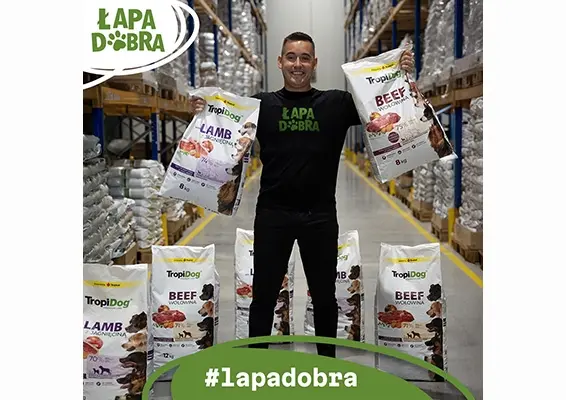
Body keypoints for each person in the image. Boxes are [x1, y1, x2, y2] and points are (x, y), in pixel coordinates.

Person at [190, 32, 415, 358]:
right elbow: (222, 121)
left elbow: (382, 101)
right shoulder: (261, 105)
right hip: (273, 215)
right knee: (263, 298)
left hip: (320, 217)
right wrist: (202, 109)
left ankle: (327, 367)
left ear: (314, 63)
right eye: (291, 57)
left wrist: (400, 73)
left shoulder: (337, 104)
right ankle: (255, 367)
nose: (298, 64)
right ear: (280, 62)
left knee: (324, 299)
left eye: (305, 58)